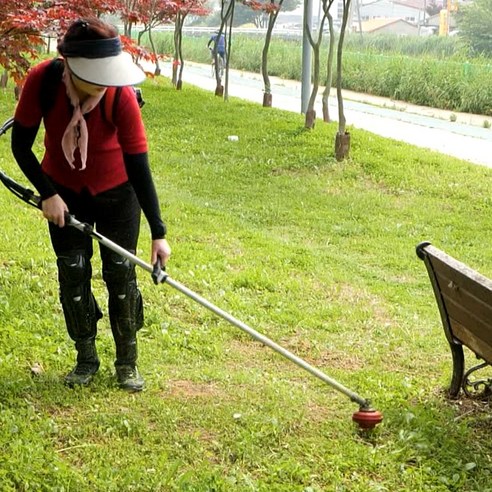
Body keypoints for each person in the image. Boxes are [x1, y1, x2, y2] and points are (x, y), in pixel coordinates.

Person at [11, 17, 171, 392]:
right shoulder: (43, 81)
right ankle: (86, 357)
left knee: (120, 275)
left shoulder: (121, 95)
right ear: (69, 64)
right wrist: (48, 193)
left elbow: (139, 165)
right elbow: (21, 146)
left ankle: (127, 362)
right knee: (73, 275)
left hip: (117, 193)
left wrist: (158, 233)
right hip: (63, 192)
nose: (103, 81)